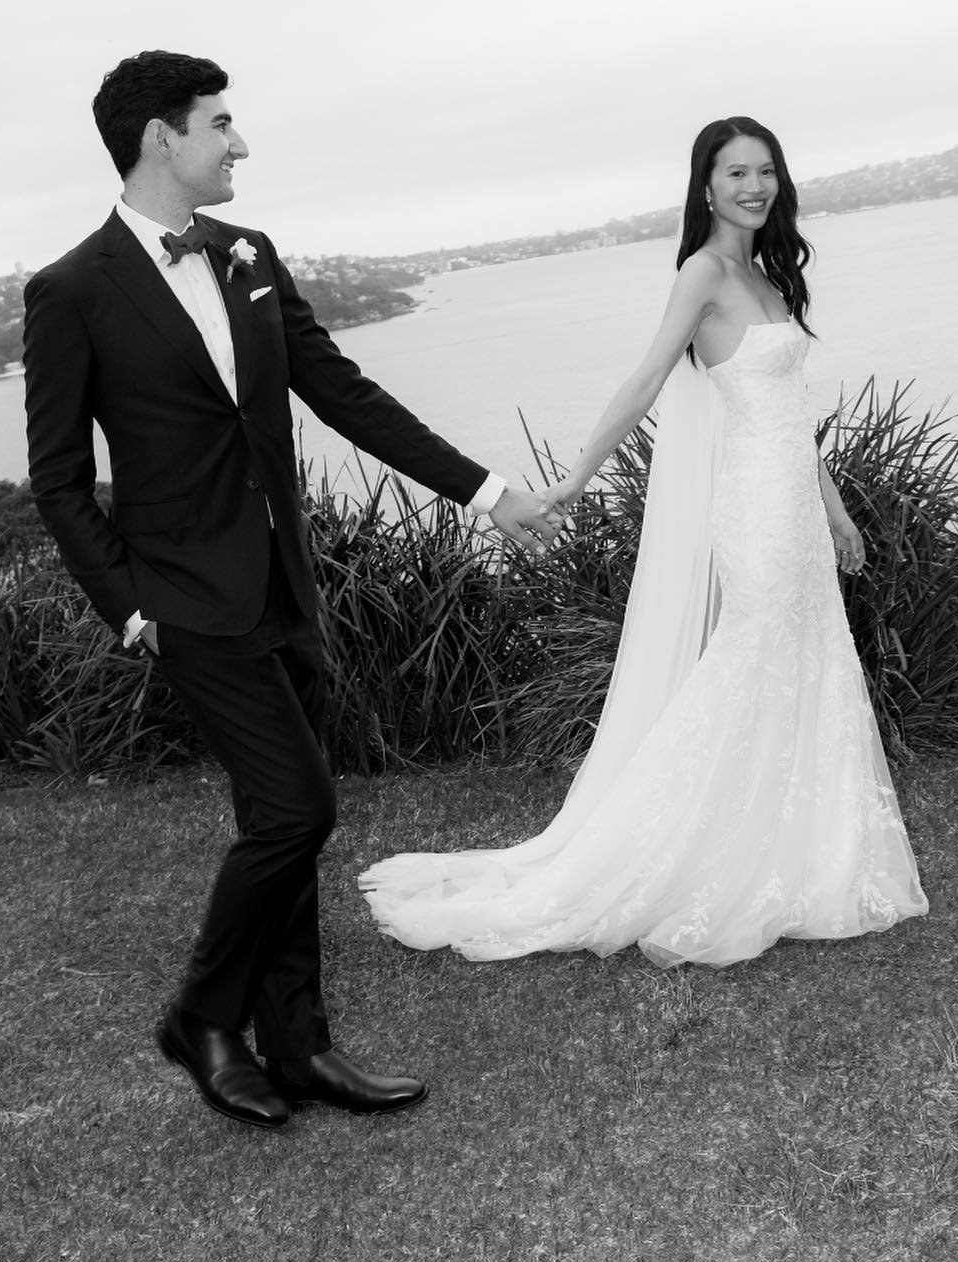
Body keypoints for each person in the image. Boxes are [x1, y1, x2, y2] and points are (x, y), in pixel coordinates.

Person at [23, 49, 561, 1131]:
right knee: (300, 808)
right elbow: (59, 480)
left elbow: (341, 391)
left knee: (282, 818)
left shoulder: (249, 255)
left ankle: (300, 1045)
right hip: (183, 598)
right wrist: (131, 606)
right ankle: (202, 1018)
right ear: (160, 138)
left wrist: (485, 489)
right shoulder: (70, 290)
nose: (241, 143)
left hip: (285, 583)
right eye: (221, 124)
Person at [359, 117, 929, 966]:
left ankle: (799, 852)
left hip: (799, 509)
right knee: (754, 661)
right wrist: (577, 476)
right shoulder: (703, 272)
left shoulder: (768, 274)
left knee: (812, 659)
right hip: (756, 513)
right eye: (736, 172)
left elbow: (792, 419)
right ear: (705, 186)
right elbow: (645, 379)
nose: (755, 186)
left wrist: (838, 510)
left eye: (766, 171)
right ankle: (677, 849)